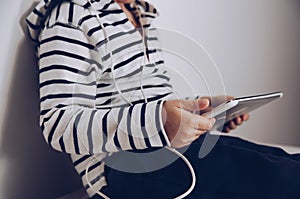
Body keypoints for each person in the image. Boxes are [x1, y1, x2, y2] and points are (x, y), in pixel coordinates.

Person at [26, 0, 300, 198]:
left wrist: (203, 112)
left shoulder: (140, 14)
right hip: (124, 168)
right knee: (284, 179)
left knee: (286, 162)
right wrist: (159, 121)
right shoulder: (70, 17)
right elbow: (58, 124)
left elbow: (154, 99)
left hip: (170, 150)